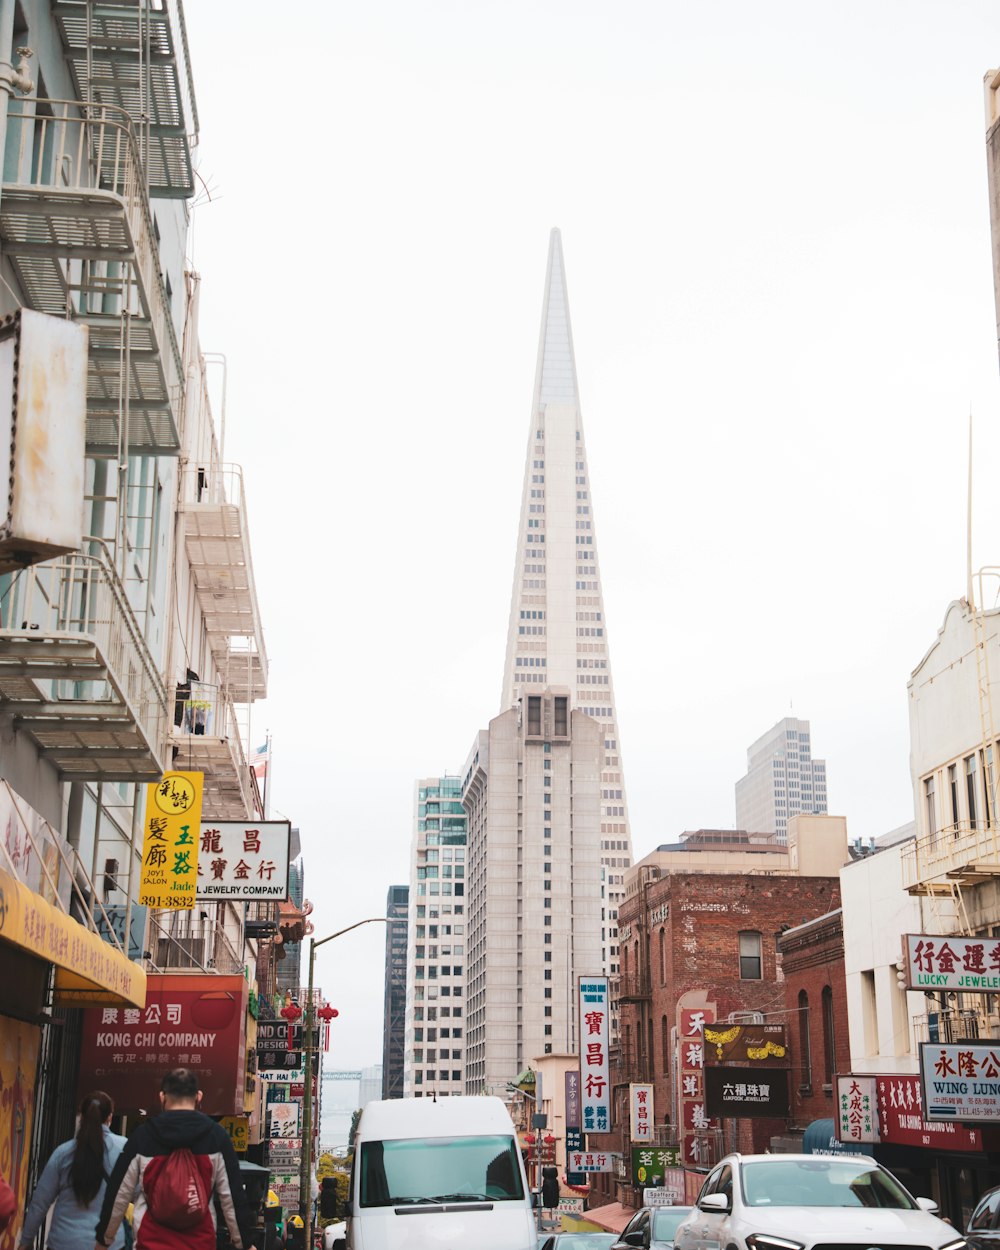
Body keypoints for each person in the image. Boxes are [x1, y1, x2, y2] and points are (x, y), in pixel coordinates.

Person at [94, 1068, 255, 1250]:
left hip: (151, 1243)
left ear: (162, 1097)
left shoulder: (143, 1137)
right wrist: (245, 1244)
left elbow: (118, 1195)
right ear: (199, 1097)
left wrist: (103, 1240)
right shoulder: (216, 1138)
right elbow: (232, 1198)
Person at [20, 1091, 128, 1250]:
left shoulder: (63, 1153)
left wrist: (26, 1241)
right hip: (108, 1245)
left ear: (81, 1116)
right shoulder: (124, 1149)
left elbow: (39, 1203)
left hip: (64, 1242)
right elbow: (141, 1193)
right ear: (110, 1117)